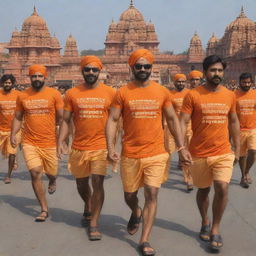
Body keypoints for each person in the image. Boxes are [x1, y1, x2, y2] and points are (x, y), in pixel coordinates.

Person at [106, 49, 192, 256]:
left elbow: (172, 120)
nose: (143, 69)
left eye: (146, 66)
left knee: (152, 193)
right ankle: (136, 211)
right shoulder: (123, 92)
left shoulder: (162, 92)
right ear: (132, 67)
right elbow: (113, 120)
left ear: (152, 68)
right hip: (131, 153)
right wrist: (110, 147)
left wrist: (181, 148)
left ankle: (144, 239)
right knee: (130, 195)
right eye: (139, 66)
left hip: (156, 152)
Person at [180, 55, 240, 251]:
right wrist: (182, 148)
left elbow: (233, 121)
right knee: (203, 190)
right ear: (205, 72)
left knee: (222, 187)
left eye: (220, 71)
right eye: (213, 70)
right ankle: (205, 220)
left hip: (223, 151)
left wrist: (237, 148)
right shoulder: (193, 95)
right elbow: (182, 122)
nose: (217, 74)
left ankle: (215, 227)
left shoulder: (229, 95)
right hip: (199, 152)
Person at [58, 56, 116, 241]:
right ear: (82, 71)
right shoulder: (72, 93)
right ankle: (88, 204)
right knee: (81, 183)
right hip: (79, 146)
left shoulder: (110, 93)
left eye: (94, 70)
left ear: (100, 71)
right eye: (87, 69)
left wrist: (112, 145)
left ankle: (94, 222)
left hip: (100, 146)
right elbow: (66, 120)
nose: (91, 72)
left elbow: (116, 121)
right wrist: (61, 141)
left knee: (98, 183)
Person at [11, 64, 63, 222]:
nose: (37, 79)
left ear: (45, 77)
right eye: (34, 76)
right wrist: (13, 133)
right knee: (35, 173)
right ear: (30, 78)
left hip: (49, 142)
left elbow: (61, 118)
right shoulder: (22, 95)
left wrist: (63, 139)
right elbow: (18, 117)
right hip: (29, 142)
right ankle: (44, 208)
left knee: (51, 173)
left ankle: (53, 180)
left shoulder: (54, 94)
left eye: (40, 76)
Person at [165, 73, 193, 191]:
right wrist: (164, 125)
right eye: (178, 81)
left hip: (187, 126)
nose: (181, 83)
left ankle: (188, 178)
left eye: (183, 81)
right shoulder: (169, 95)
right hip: (172, 127)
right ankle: (163, 173)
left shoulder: (190, 94)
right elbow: (165, 112)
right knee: (169, 151)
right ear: (174, 82)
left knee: (186, 151)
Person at [235, 72, 256, 188]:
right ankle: (243, 176)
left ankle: (247, 171)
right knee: (242, 156)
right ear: (240, 83)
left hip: (253, 129)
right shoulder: (234, 95)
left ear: (251, 82)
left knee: (253, 152)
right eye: (244, 82)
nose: (247, 84)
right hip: (240, 130)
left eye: (248, 82)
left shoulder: (255, 94)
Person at [0, 74, 21, 184]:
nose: (7, 84)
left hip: (15, 130)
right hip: (1, 129)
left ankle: (8, 175)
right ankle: (14, 160)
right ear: (2, 83)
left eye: (9, 83)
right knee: (5, 152)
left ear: (12, 84)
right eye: (5, 83)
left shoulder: (18, 95)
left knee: (12, 152)